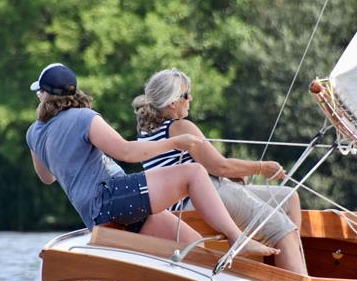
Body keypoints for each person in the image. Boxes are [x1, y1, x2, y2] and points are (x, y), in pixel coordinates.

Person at [26, 63, 279, 258]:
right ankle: (237, 238)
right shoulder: (85, 117)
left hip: (98, 214)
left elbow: (47, 178)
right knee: (193, 173)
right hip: (111, 200)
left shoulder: (33, 133)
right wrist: (173, 143)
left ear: (44, 95)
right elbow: (126, 152)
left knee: (196, 250)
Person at [132, 68, 307, 274]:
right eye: (187, 95)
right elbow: (219, 166)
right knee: (282, 227)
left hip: (188, 196)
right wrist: (261, 167)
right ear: (172, 102)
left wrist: (232, 173)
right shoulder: (180, 127)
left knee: (288, 197)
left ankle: (286, 264)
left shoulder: (146, 132)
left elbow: (211, 166)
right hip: (199, 195)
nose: (191, 99)